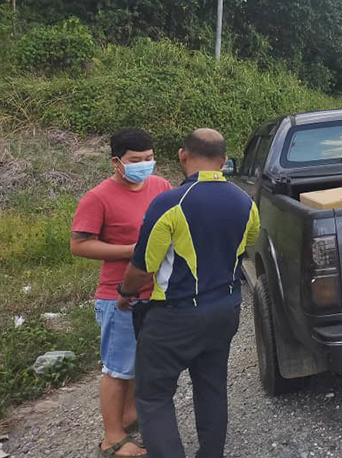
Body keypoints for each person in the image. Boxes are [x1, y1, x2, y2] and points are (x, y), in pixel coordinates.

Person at [116, 128, 260, 458]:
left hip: (175, 316)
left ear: (182, 155)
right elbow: (246, 246)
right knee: (211, 388)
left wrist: (124, 293)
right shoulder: (245, 202)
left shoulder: (169, 202)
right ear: (224, 162)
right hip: (226, 309)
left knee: (153, 396)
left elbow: (142, 267)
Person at [70, 128, 172, 457]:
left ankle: (129, 415)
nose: (145, 165)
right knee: (118, 368)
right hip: (119, 298)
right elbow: (80, 245)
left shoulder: (159, 186)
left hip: (155, 293)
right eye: (136, 160)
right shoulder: (98, 197)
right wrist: (132, 250)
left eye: (149, 158)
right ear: (117, 162)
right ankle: (112, 438)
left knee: (142, 363)